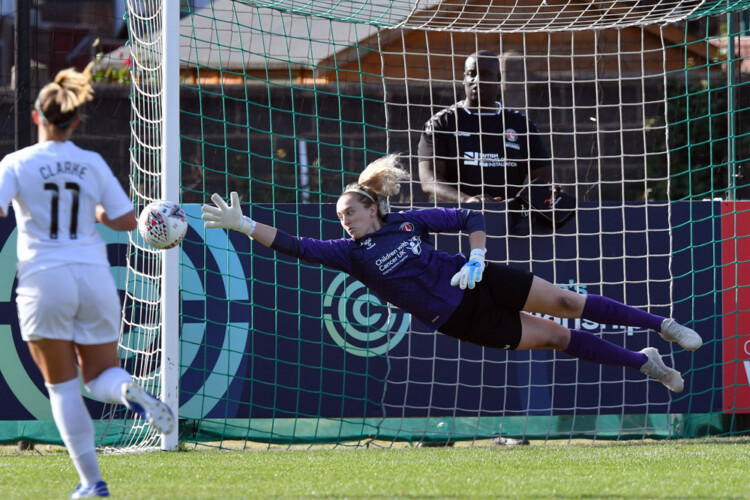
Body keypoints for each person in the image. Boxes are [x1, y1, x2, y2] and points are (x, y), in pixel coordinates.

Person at [202, 154, 701, 403]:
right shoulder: (350, 254)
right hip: (460, 319)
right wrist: (244, 225)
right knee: (555, 336)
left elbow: (469, 217)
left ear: (372, 208)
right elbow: (295, 246)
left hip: (480, 280)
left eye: (349, 212)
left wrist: (477, 257)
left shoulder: (408, 222)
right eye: (339, 217)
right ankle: (646, 364)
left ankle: (663, 326)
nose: (344, 221)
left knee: (568, 303)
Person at [0, 64, 175, 499]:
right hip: (94, 277)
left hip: (44, 279)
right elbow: (126, 220)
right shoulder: (91, 162)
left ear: (37, 117)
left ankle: (92, 483)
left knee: (62, 387)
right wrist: (95, 212)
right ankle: (128, 390)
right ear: (76, 121)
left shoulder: (16, 163)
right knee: (100, 374)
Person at [418, 50, 552, 203]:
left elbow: (545, 178)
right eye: (472, 73)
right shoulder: (442, 123)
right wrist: (467, 201)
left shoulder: (521, 125)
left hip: (508, 215)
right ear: (464, 78)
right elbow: (429, 180)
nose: (477, 80)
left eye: (486, 74)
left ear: (498, 78)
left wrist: (549, 191)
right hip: (456, 215)